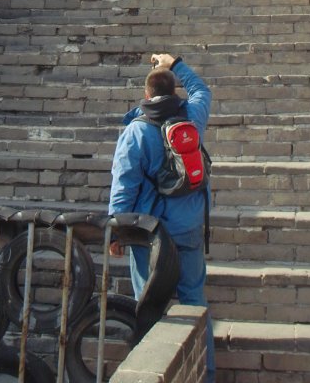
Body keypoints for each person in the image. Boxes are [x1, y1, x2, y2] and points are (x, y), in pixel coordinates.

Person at [109, 52, 215, 383]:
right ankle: (205, 373)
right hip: (189, 226)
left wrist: (117, 230)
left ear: (146, 94)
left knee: (149, 304)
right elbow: (202, 91)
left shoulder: (137, 131)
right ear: (174, 91)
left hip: (149, 234)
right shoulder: (191, 116)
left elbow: (123, 183)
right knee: (194, 301)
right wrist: (176, 63)